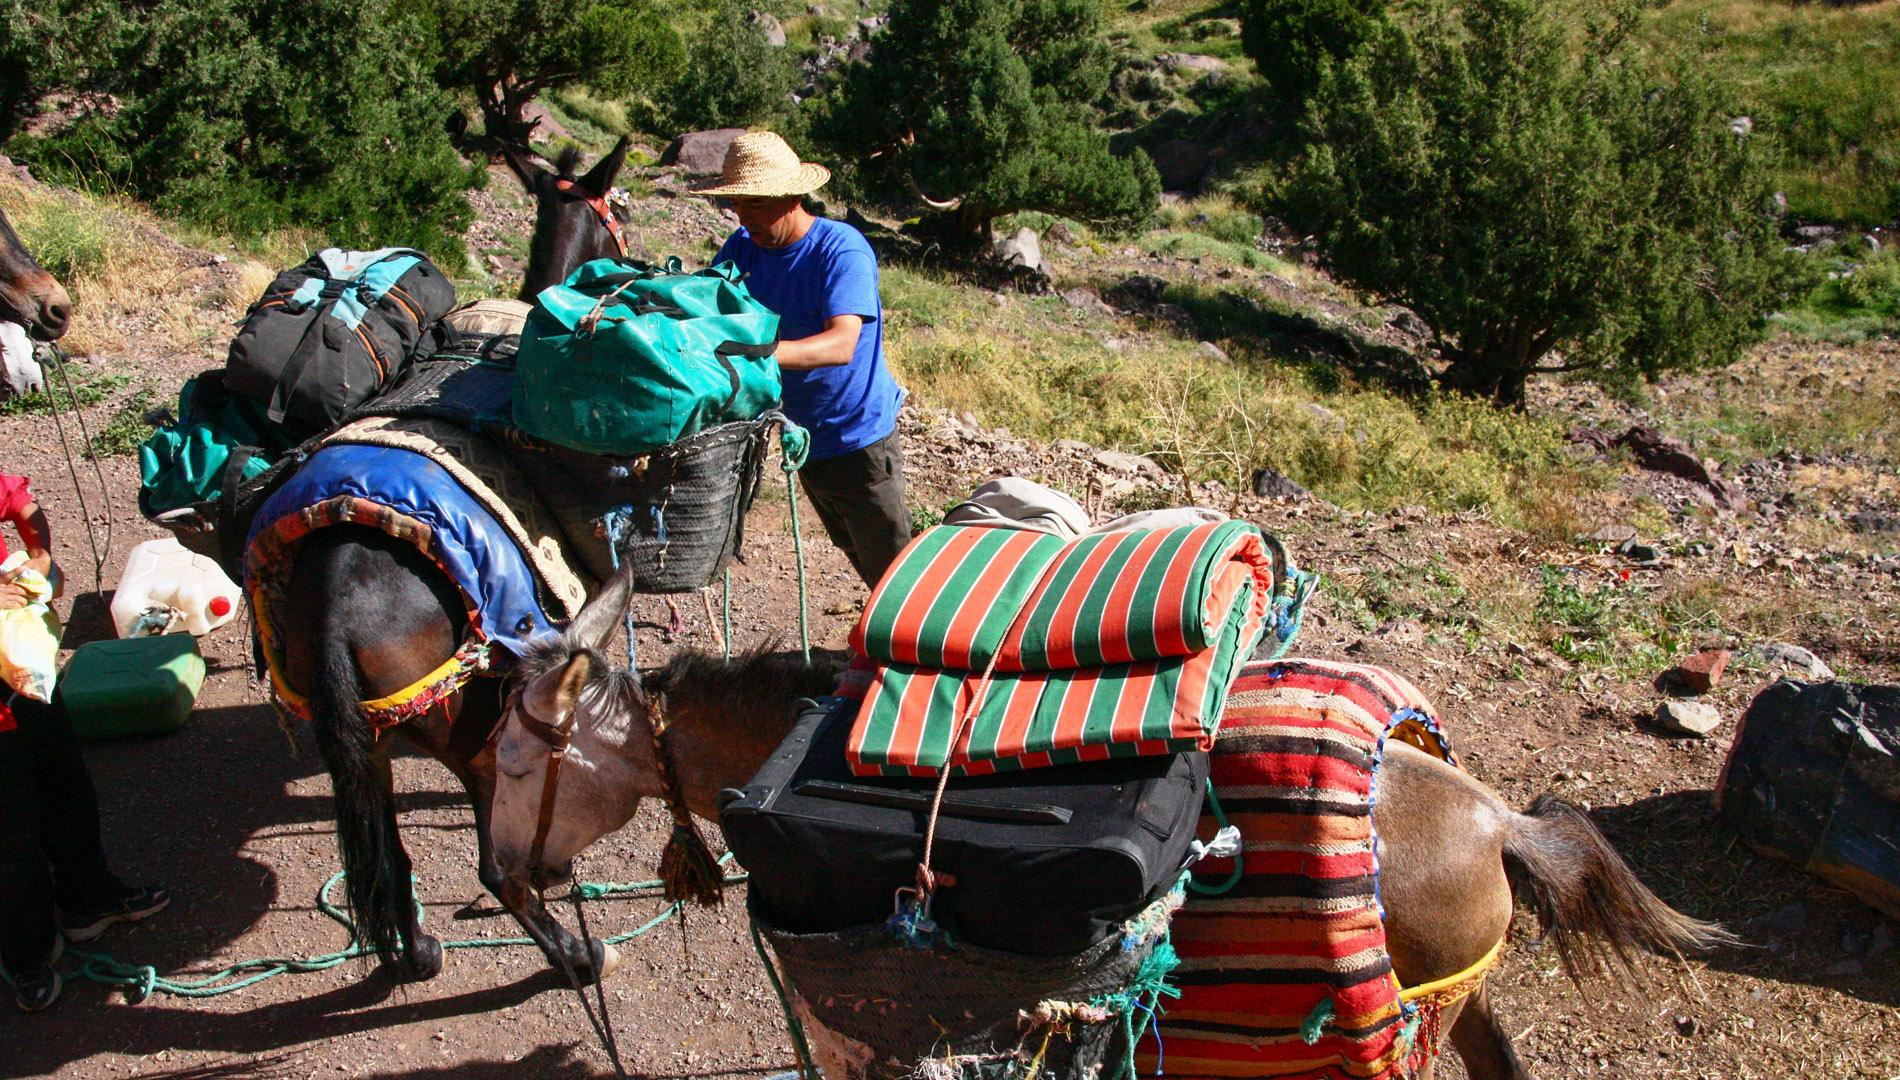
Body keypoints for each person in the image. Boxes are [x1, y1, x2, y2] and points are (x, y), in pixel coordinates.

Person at [696, 131, 912, 589]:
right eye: (737, 203)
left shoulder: (840, 249)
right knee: (852, 547)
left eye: (754, 204)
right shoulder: (743, 248)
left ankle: (922, 652)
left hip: (858, 436)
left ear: (791, 197)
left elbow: (841, 345)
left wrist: (758, 354)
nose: (743, 216)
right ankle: (883, 644)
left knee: (892, 565)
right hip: (804, 436)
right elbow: (706, 305)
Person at [0, 472, 169, 1012]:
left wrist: (40, 555)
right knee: (10, 836)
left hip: (20, 674)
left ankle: (87, 900)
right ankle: (24, 952)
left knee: (66, 788)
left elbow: (19, 500)